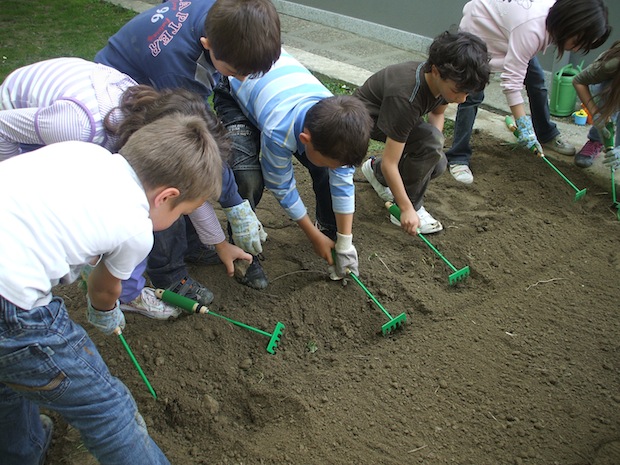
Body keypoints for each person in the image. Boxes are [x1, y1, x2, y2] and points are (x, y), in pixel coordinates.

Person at [0, 113, 223, 465]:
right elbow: (103, 290)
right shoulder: (136, 226)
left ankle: (21, 449)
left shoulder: (82, 152)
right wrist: (105, 315)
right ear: (166, 197)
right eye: (183, 213)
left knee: (6, 378)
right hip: (11, 303)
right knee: (108, 410)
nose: (176, 221)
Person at [0, 57, 253, 319]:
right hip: (19, 121)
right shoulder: (81, 130)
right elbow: (3, 128)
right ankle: (129, 295)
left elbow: (189, 191)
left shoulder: (114, 144)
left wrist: (219, 242)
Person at [95, 0, 281, 292]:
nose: (240, 79)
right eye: (234, 70)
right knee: (168, 184)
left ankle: (195, 244)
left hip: (153, 89)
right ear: (207, 45)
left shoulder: (222, 14)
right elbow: (202, 142)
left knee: (186, 189)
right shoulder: (180, 70)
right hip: (124, 105)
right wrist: (234, 204)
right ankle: (169, 275)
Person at [215, 49, 373, 278]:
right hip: (235, 89)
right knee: (247, 178)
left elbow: (343, 181)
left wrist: (346, 242)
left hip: (275, 90)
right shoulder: (279, 130)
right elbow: (281, 185)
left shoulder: (342, 126)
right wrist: (311, 234)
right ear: (304, 140)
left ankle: (330, 233)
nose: (337, 169)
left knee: (328, 173)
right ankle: (243, 252)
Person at [446, 0, 611, 184]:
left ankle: (545, 133)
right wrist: (523, 124)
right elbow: (511, 82)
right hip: (481, 26)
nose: (578, 48)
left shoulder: (550, 18)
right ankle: (458, 156)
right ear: (569, 24)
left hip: (511, 28)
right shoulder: (531, 29)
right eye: (578, 42)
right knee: (473, 93)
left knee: (536, 80)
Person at [355, 31, 491, 235]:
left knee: (437, 161)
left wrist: (433, 153)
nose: (462, 99)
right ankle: (409, 207)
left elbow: (437, 113)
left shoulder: (444, 82)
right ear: (436, 71)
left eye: (467, 93)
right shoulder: (407, 97)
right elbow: (392, 162)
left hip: (395, 116)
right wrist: (406, 208)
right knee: (429, 146)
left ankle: (376, 171)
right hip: (368, 119)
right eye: (458, 91)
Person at [572, 40, 620, 167]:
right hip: (610, 89)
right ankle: (596, 139)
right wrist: (596, 115)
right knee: (609, 96)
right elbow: (579, 81)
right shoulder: (612, 63)